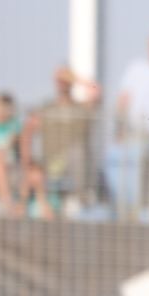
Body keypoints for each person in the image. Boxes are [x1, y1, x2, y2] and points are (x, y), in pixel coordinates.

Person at [28, 66, 102, 207]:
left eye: (65, 80)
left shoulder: (82, 109)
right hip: (49, 165)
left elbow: (96, 91)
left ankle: (82, 198)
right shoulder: (46, 108)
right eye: (59, 80)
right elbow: (27, 130)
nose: (62, 83)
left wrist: (78, 79)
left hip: (73, 167)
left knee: (78, 151)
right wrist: (30, 162)